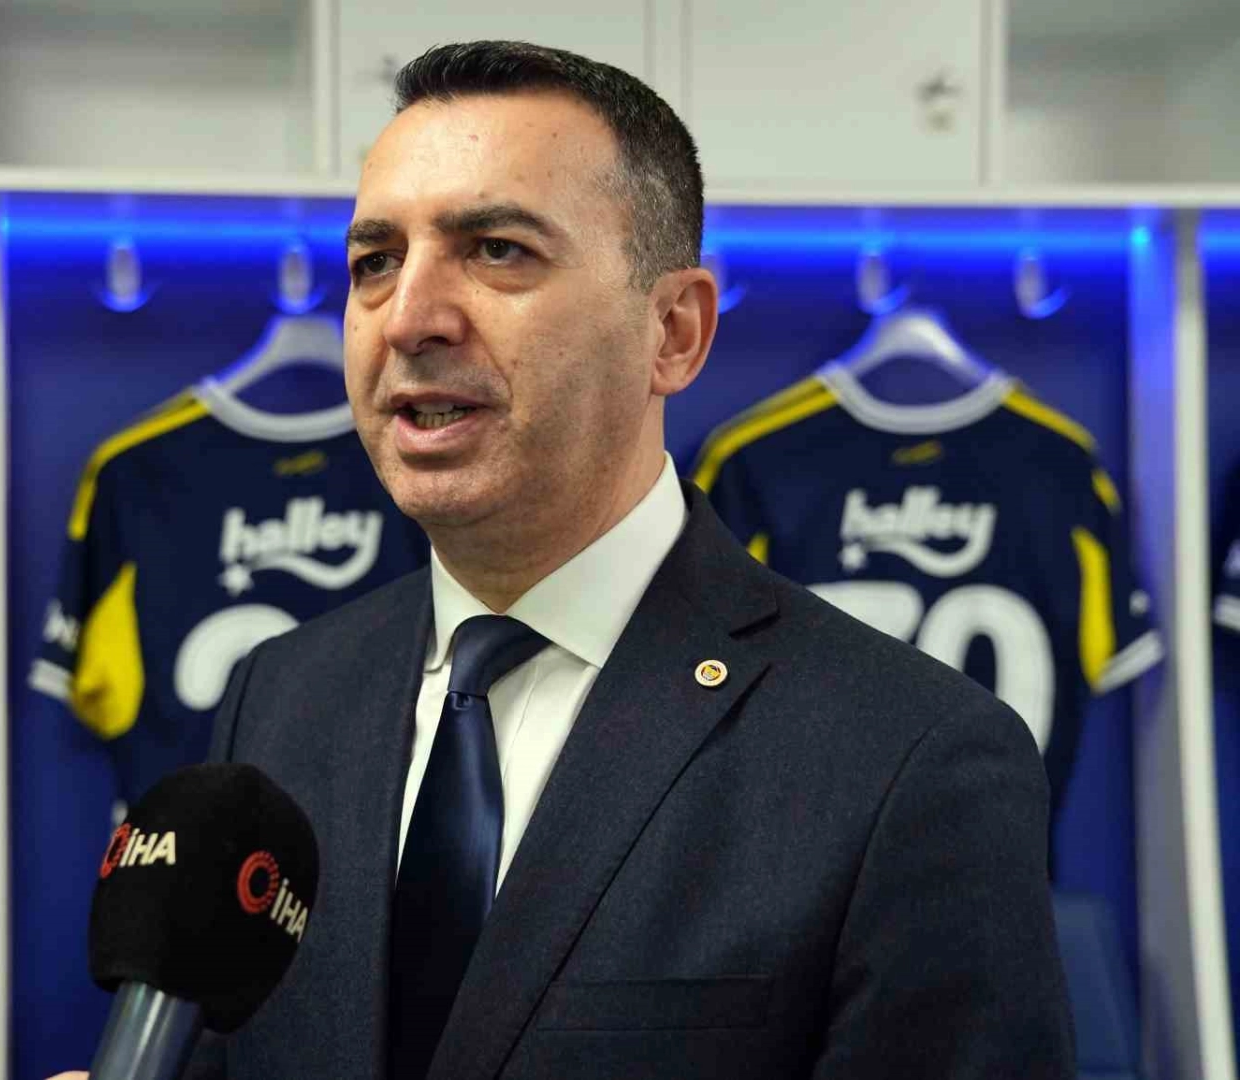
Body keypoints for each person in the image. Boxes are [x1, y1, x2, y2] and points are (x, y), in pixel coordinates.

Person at [52, 40, 1074, 1080]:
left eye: (497, 250)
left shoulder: (912, 759)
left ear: (673, 332)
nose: (409, 318)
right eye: (375, 262)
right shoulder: (281, 696)